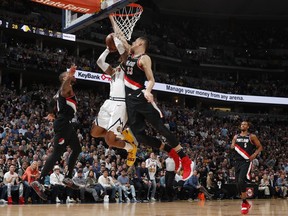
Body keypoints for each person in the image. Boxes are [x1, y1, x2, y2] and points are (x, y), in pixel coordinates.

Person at [122, 36, 193, 181]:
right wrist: (111, 17)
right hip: (130, 101)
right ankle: (169, 151)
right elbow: (119, 37)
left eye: (135, 41)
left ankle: (186, 160)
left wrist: (148, 91)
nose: (132, 43)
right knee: (140, 136)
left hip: (141, 97)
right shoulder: (130, 53)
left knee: (161, 129)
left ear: (141, 43)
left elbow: (151, 79)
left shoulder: (144, 58)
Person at [31, 65, 82, 200]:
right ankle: (40, 181)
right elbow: (62, 89)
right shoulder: (66, 88)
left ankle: (68, 177)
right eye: (68, 75)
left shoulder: (62, 91)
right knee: (57, 153)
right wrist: (69, 75)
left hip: (68, 124)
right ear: (65, 79)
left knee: (77, 149)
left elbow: (51, 102)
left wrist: (50, 113)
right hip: (63, 123)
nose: (72, 75)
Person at [90, 27, 137, 167]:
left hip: (121, 105)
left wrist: (116, 40)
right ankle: (122, 134)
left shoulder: (128, 68)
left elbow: (124, 55)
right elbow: (99, 61)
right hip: (109, 102)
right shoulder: (113, 71)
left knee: (110, 141)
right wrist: (107, 49)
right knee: (94, 132)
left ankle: (131, 148)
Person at [231, 121, 263, 214]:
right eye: (241, 124)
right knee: (237, 184)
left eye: (244, 124)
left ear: (248, 127)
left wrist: (254, 154)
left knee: (241, 180)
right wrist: (232, 145)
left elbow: (260, 147)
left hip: (246, 161)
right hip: (237, 161)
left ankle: (244, 204)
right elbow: (232, 145)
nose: (242, 125)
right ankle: (245, 202)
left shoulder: (251, 136)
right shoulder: (236, 136)